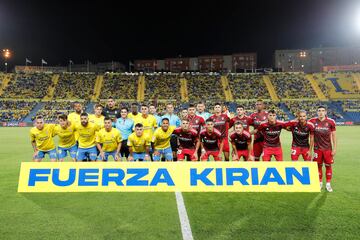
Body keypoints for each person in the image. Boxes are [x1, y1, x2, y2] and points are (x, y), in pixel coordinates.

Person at [309, 106, 337, 192]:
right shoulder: (312, 121)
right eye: (319, 111)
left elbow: (334, 136)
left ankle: (328, 184)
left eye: (322, 111)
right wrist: (310, 150)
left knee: (328, 166)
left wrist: (334, 148)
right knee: (318, 166)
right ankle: (320, 183)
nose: (321, 112)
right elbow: (312, 137)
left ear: (325, 112)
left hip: (328, 149)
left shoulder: (331, 122)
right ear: (317, 112)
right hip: (317, 149)